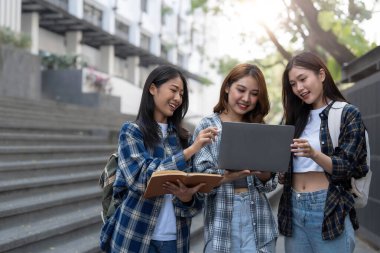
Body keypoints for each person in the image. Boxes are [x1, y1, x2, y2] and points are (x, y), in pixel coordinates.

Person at [99, 65, 219, 253]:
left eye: (181, 94)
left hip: (174, 241)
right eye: (173, 90)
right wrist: (190, 151)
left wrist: (187, 198)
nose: (178, 98)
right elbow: (141, 179)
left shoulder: (183, 139)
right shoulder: (131, 132)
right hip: (133, 237)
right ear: (153, 88)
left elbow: (194, 206)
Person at [278, 52, 369, 253]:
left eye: (303, 79)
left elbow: (346, 167)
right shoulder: (294, 119)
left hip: (328, 207)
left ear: (321, 74)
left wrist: (314, 154)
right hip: (293, 208)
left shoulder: (347, 113)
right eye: (293, 84)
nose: (299, 88)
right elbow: (282, 170)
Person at [193, 63, 279, 253]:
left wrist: (265, 173)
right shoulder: (208, 126)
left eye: (254, 93)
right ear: (227, 87)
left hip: (259, 222)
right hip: (222, 222)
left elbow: (270, 185)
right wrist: (226, 175)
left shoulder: (260, 128)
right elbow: (200, 181)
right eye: (241, 90)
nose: (246, 98)